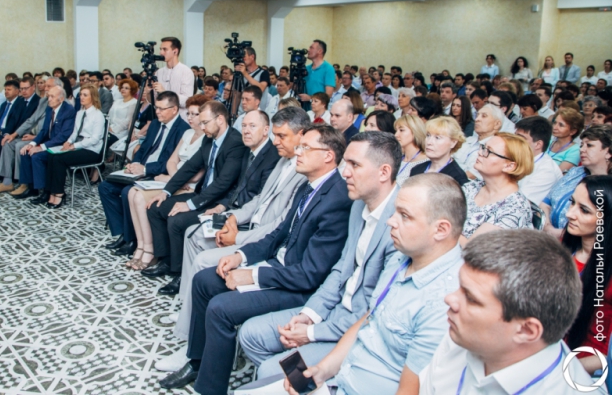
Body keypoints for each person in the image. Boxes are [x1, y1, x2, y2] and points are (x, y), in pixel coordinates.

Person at [158, 126, 350, 394]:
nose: (298, 152)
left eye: (305, 147)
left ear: (328, 155)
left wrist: (252, 275)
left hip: (298, 287)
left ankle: (210, 388)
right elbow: (277, 234)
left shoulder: (337, 199)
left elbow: (310, 274)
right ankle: (198, 361)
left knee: (220, 308)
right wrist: (241, 256)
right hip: (278, 268)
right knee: (204, 280)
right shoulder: (309, 186)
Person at [279, 173, 465, 395]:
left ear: (441, 230)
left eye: (404, 216)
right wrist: (323, 370)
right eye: (395, 212)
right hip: (342, 379)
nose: (390, 221)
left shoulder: (446, 302)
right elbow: (370, 318)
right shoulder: (403, 257)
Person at [155, 108, 311, 371]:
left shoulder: (302, 169)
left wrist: (239, 236)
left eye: (281, 136)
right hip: (248, 223)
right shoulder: (284, 160)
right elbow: (259, 200)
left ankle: (189, 340)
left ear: (301, 135)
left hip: (260, 238)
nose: (275, 141)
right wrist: (232, 217)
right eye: (275, 135)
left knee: (204, 260)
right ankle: (189, 313)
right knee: (194, 235)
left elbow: (279, 225)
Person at [238, 131, 401, 379]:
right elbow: (341, 269)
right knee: (251, 334)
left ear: (384, 172)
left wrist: (312, 333)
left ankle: (297, 379)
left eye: (355, 165)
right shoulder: (359, 204)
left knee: (272, 370)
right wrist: (309, 315)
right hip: (333, 309)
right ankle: (298, 382)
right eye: (346, 163)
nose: (345, 172)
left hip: (358, 330)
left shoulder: (400, 224)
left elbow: (373, 311)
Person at [419, 229, 592, 395]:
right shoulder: (462, 335)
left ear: (526, 330)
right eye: (460, 287)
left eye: (471, 298)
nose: (449, 299)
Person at [143, 100, 248, 284]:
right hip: (203, 194)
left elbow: (223, 183)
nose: (202, 127)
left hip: (219, 201)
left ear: (220, 119)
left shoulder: (235, 142)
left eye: (205, 122)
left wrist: (190, 204)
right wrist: (166, 192)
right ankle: (166, 260)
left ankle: (179, 274)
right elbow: (190, 167)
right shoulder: (209, 139)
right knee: (155, 207)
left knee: (176, 220)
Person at [100, 91, 190, 255]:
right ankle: (124, 233)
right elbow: (144, 149)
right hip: (141, 170)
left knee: (127, 192)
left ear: (174, 109)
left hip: (156, 174)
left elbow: (170, 162)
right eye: (156, 108)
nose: (158, 112)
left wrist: (145, 169)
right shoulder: (155, 124)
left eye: (162, 109)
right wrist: (134, 163)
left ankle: (132, 239)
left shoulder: (183, 129)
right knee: (105, 187)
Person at [119, 93, 199, 266]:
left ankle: (150, 249)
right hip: (173, 178)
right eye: (189, 113)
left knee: (138, 196)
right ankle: (142, 246)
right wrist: (172, 178)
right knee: (132, 192)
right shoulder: (188, 133)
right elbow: (171, 161)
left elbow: (198, 171)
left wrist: (172, 179)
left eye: (195, 114)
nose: (190, 117)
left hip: (186, 185)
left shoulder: (203, 138)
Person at [563, 176, 612, 375]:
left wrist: (562, 369)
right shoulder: (567, 248)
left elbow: (606, 357)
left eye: (584, 210)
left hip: (586, 371)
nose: (569, 214)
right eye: (572, 203)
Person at [33, 84, 106, 209]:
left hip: (91, 150)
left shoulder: (97, 115)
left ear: (93, 97)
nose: (81, 97)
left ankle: (59, 193)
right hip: (78, 146)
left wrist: (74, 145)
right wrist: (68, 142)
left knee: (59, 159)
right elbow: (74, 133)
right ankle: (50, 191)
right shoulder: (80, 113)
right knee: (52, 155)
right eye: (81, 94)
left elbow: (95, 139)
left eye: (85, 95)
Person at [460, 133, 533, 241]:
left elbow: (471, 247)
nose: (479, 152)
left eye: (489, 151)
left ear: (509, 166)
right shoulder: (474, 186)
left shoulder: (515, 208)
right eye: (483, 147)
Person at [541, 125, 612, 234]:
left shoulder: (608, 187)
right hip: (547, 232)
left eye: (589, 145)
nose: (582, 149)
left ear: (608, 153)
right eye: (581, 145)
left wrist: (562, 235)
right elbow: (545, 203)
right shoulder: (575, 172)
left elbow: (603, 228)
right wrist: (548, 228)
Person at [15, 86, 76, 200]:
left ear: (61, 99)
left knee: (37, 156)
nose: (49, 99)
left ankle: (45, 191)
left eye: (52, 96)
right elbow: (44, 130)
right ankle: (31, 188)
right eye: (48, 96)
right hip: (49, 142)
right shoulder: (49, 108)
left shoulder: (68, 110)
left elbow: (63, 136)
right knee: (25, 152)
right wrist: (32, 144)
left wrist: (42, 147)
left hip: (61, 146)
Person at [0, 76, 41, 194]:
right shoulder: (20, 101)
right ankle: (7, 182)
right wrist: (9, 134)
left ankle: (22, 182)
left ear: (33, 87)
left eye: (26, 88)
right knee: (7, 143)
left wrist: (26, 135)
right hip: (18, 133)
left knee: (17, 145)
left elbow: (33, 122)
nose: (23, 91)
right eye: (21, 89)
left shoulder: (39, 101)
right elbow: (14, 120)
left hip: (32, 135)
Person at [514, 116, 563, 205]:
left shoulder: (547, 172)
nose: (513, 141)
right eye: (515, 136)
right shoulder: (519, 157)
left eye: (520, 138)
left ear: (538, 144)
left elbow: (519, 203)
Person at [410, 116, 469, 186]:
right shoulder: (416, 169)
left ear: (453, 143)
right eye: (428, 135)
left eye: (437, 138)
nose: (429, 142)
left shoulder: (457, 178)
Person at [454, 104, 505, 180]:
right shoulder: (468, 140)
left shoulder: (496, 149)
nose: (477, 119)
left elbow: (471, 175)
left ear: (497, 124)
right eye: (477, 115)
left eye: (484, 116)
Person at [152, 37, 195, 120]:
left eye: (165, 49)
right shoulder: (159, 72)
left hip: (180, 119)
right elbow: (154, 100)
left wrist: (165, 92)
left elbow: (187, 101)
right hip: (161, 118)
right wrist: (148, 91)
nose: (161, 53)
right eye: (160, 49)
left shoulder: (186, 71)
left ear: (175, 51)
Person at [394, 114, 429, 184]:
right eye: (396, 130)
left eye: (401, 130)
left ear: (415, 131)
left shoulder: (426, 162)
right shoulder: (396, 158)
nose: (396, 135)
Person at [299, 40, 336, 105]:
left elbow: (328, 94)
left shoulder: (328, 68)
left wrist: (310, 98)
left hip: (319, 108)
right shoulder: (306, 68)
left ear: (320, 51)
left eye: (311, 48)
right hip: (304, 108)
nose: (308, 50)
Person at [548, 107, 583, 172]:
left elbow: (559, 174)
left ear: (573, 131)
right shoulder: (547, 142)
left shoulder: (575, 150)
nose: (554, 127)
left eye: (561, 125)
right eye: (555, 123)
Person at [106, 78, 138, 145]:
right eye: (122, 87)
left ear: (132, 90)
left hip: (120, 133)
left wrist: (113, 129)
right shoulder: (117, 101)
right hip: (109, 128)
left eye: (126, 88)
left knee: (105, 141)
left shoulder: (134, 102)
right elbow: (109, 115)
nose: (123, 89)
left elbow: (128, 120)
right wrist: (108, 127)